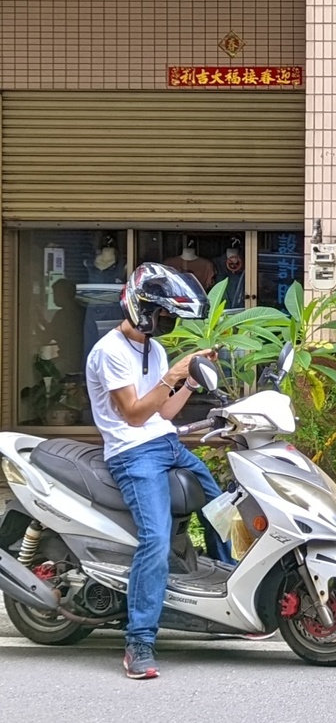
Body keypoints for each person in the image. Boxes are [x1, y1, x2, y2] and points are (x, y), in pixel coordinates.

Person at [87, 263, 228, 680]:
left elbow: (162, 411)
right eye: (162, 314)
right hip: (133, 454)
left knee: (221, 507)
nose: (165, 322)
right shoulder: (109, 351)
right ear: (140, 307)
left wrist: (187, 382)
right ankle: (139, 642)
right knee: (156, 538)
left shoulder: (155, 348)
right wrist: (172, 375)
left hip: (165, 442)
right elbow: (132, 415)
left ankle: (228, 603)